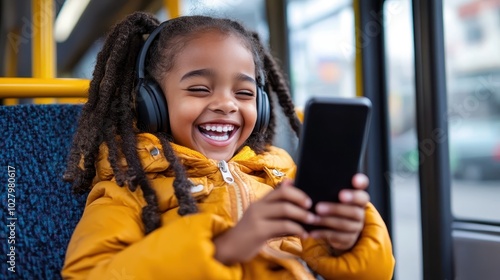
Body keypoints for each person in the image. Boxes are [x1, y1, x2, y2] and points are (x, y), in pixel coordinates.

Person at [61, 11, 395, 279]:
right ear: (152, 103)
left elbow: (376, 272)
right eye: (200, 89)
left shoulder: (282, 177)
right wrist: (222, 247)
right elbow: (88, 273)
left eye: (244, 93)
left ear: (261, 106)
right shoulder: (127, 187)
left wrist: (346, 243)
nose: (226, 104)